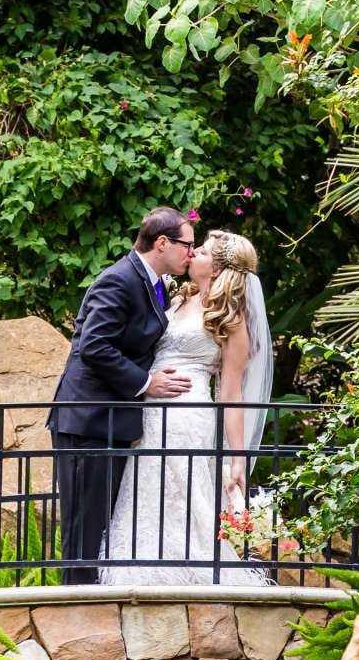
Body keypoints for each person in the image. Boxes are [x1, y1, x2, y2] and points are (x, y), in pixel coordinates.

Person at [100, 228, 275, 587]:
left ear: (218, 270)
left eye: (204, 252)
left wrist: (237, 458)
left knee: (183, 495)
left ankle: (188, 576)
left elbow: (231, 391)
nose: (193, 254)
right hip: (150, 411)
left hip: (188, 413)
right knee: (145, 490)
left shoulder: (230, 317)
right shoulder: (180, 298)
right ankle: (138, 573)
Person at [46, 208, 197, 584]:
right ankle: (75, 611)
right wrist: (146, 383)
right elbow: (94, 346)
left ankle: (92, 600)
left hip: (111, 420)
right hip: (88, 419)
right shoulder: (118, 280)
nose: (191, 254)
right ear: (162, 243)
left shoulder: (154, 282)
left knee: (100, 527)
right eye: (187, 245)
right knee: (84, 525)